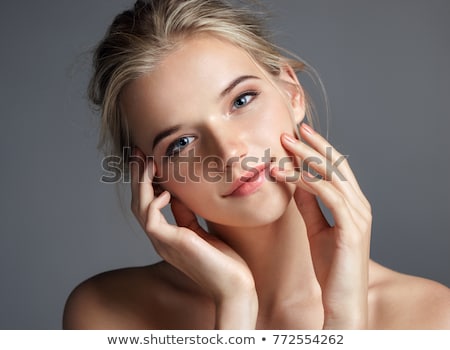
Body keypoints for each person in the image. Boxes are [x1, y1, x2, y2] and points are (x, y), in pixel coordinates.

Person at [63, 0, 450, 329]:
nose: (230, 153)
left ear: (291, 92)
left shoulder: (432, 319)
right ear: (153, 176)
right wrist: (235, 305)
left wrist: (345, 320)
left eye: (242, 101)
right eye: (181, 143)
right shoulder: (107, 314)